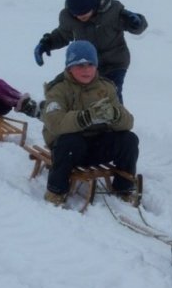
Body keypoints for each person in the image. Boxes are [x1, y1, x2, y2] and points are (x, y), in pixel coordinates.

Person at [41, 40, 139, 206]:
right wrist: (85, 117)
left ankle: (124, 188)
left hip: (98, 143)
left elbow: (128, 122)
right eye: (80, 65)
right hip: (70, 149)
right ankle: (55, 191)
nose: (86, 70)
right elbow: (54, 123)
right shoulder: (58, 89)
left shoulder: (106, 87)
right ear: (69, 67)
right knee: (69, 142)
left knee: (129, 139)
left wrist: (115, 115)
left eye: (90, 64)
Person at [33, 0, 148, 103]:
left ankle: (117, 118)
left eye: (84, 12)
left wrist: (137, 23)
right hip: (86, 63)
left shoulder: (113, 11)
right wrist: (47, 43)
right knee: (67, 89)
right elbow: (62, 35)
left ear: (93, 5)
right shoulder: (69, 18)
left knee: (110, 92)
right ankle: (65, 116)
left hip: (114, 62)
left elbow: (138, 27)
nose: (80, 16)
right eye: (76, 14)